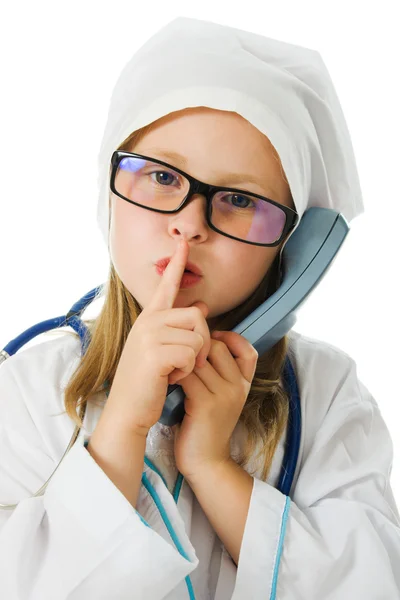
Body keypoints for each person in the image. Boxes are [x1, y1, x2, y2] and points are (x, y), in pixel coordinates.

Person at [0, 16, 399, 600]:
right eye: (161, 176)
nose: (188, 224)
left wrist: (212, 466)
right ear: (107, 190)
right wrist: (121, 430)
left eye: (239, 200)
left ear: (294, 248)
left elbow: (372, 585)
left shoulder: (327, 393)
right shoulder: (27, 392)